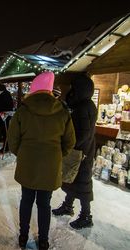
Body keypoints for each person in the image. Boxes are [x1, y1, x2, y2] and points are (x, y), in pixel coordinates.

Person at [7, 71, 75, 249]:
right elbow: (70, 141)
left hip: (28, 164)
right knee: (44, 204)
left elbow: (12, 139)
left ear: (34, 89)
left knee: (26, 200)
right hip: (50, 167)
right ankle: (43, 240)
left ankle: (23, 236)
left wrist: (21, 153)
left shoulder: (23, 111)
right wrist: (57, 155)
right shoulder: (62, 111)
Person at [52, 74, 97, 230]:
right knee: (72, 179)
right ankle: (68, 206)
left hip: (82, 153)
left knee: (83, 184)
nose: (71, 89)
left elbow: (84, 133)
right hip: (79, 151)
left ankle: (86, 216)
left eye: (73, 87)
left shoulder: (84, 107)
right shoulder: (82, 105)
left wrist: (70, 144)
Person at [0, 84, 14, 153]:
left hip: (4, 116)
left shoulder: (3, 95)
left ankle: (6, 147)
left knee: (5, 131)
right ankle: (6, 146)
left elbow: (1, 106)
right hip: (5, 115)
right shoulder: (7, 94)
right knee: (5, 131)